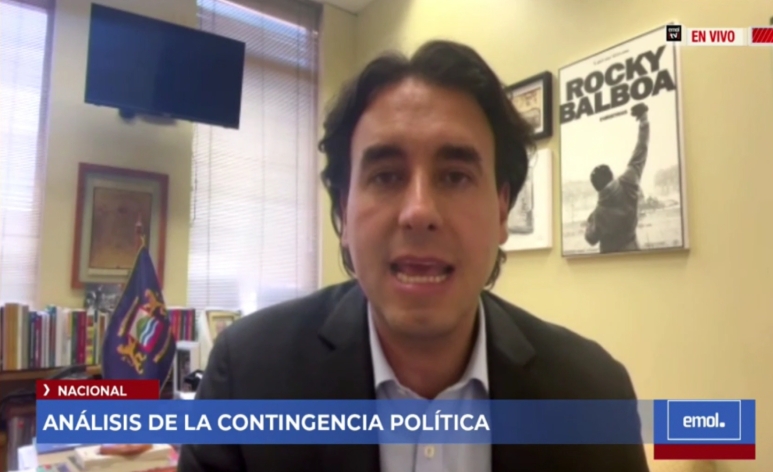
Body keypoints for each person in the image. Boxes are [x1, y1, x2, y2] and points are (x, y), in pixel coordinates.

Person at [177, 40, 649, 472]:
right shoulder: (247, 378)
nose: (419, 211)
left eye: (455, 176)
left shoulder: (594, 395)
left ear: (502, 209)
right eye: (386, 176)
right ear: (342, 212)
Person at [584, 103, 650, 253]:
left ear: (597, 188)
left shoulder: (599, 213)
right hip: (633, 248)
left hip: (610, 258)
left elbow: (590, 238)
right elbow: (641, 148)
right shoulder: (629, 181)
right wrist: (643, 120)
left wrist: (590, 220)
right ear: (612, 175)